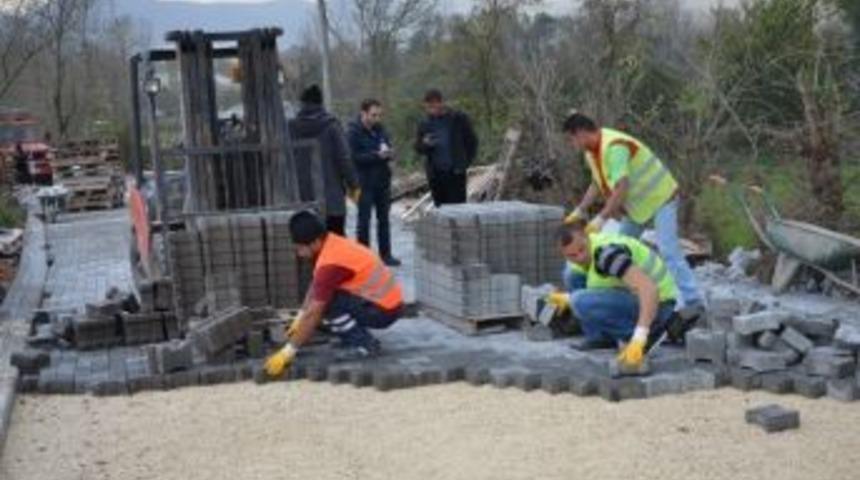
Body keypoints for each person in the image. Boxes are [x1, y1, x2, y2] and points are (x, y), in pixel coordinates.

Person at [561, 112, 704, 317]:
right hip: (638, 206)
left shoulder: (615, 147)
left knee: (669, 251)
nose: (572, 144)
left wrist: (602, 217)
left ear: (582, 133)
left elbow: (621, 187)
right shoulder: (592, 152)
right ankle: (627, 296)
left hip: (661, 197)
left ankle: (694, 302)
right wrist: (580, 210)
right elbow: (596, 183)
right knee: (617, 249)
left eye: (571, 138)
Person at [264, 210, 404, 376]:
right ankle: (352, 335)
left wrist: (288, 351)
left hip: (384, 310)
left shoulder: (330, 264)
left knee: (327, 305)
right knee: (323, 300)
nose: (298, 253)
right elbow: (316, 285)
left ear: (315, 242)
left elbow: (314, 312)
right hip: (385, 301)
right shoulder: (331, 242)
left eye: (300, 248)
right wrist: (301, 315)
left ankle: (364, 343)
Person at [548, 221, 690, 366]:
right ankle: (601, 337)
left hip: (660, 304)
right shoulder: (583, 256)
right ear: (563, 255)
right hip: (634, 295)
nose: (580, 257)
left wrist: (640, 336)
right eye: (572, 255)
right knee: (572, 276)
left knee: (579, 301)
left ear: (587, 237)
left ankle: (649, 334)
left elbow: (649, 289)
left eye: (582, 249)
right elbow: (591, 278)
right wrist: (565, 297)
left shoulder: (608, 255)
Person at [288, 85, 360, 235]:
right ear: (321, 102)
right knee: (335, 242)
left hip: (304, 199)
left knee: (311, 243)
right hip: (332, 200)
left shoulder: (291, 128)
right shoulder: (332, 126)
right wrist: (354, 185)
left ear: (302, 103)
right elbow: (344, 158)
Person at [347, 99, 401, 267]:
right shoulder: (352, 132)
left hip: (382, 182)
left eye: (379, 115)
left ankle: (386, 255)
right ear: (363, 113)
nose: (377, 118)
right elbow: (353, 158)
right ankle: (364, 259)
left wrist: (390, 154)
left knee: (384, 219)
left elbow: (388, 148)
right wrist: (377, 156)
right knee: (364, 221)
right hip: (363, 183)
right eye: (373, 115)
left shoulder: (381, 130)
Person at [413, 89, 478, 206]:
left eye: (432, 106)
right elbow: (418, 148)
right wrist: (425, 144)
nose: (430, 110)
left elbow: (472, 142)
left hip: (456, 173)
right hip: (435, 175)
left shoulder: (459, 119)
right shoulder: (424, 123)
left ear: (441, 103)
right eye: (427, 107)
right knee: (440, 210)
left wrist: (465, 163)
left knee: (458, 209)